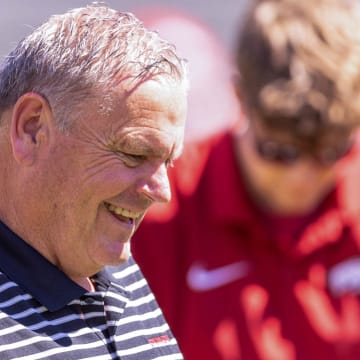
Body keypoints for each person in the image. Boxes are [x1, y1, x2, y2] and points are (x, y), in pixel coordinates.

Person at [131, 0, 360, 359]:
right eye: (279, 151)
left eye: (331, 151)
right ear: (239, 98)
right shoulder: (156, 208)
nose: (304, 176)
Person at [0, 4, 188, 359]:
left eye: (167, 161)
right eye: (134, 153)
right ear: (32, 128)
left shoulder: (101, 252)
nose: (162, 192)